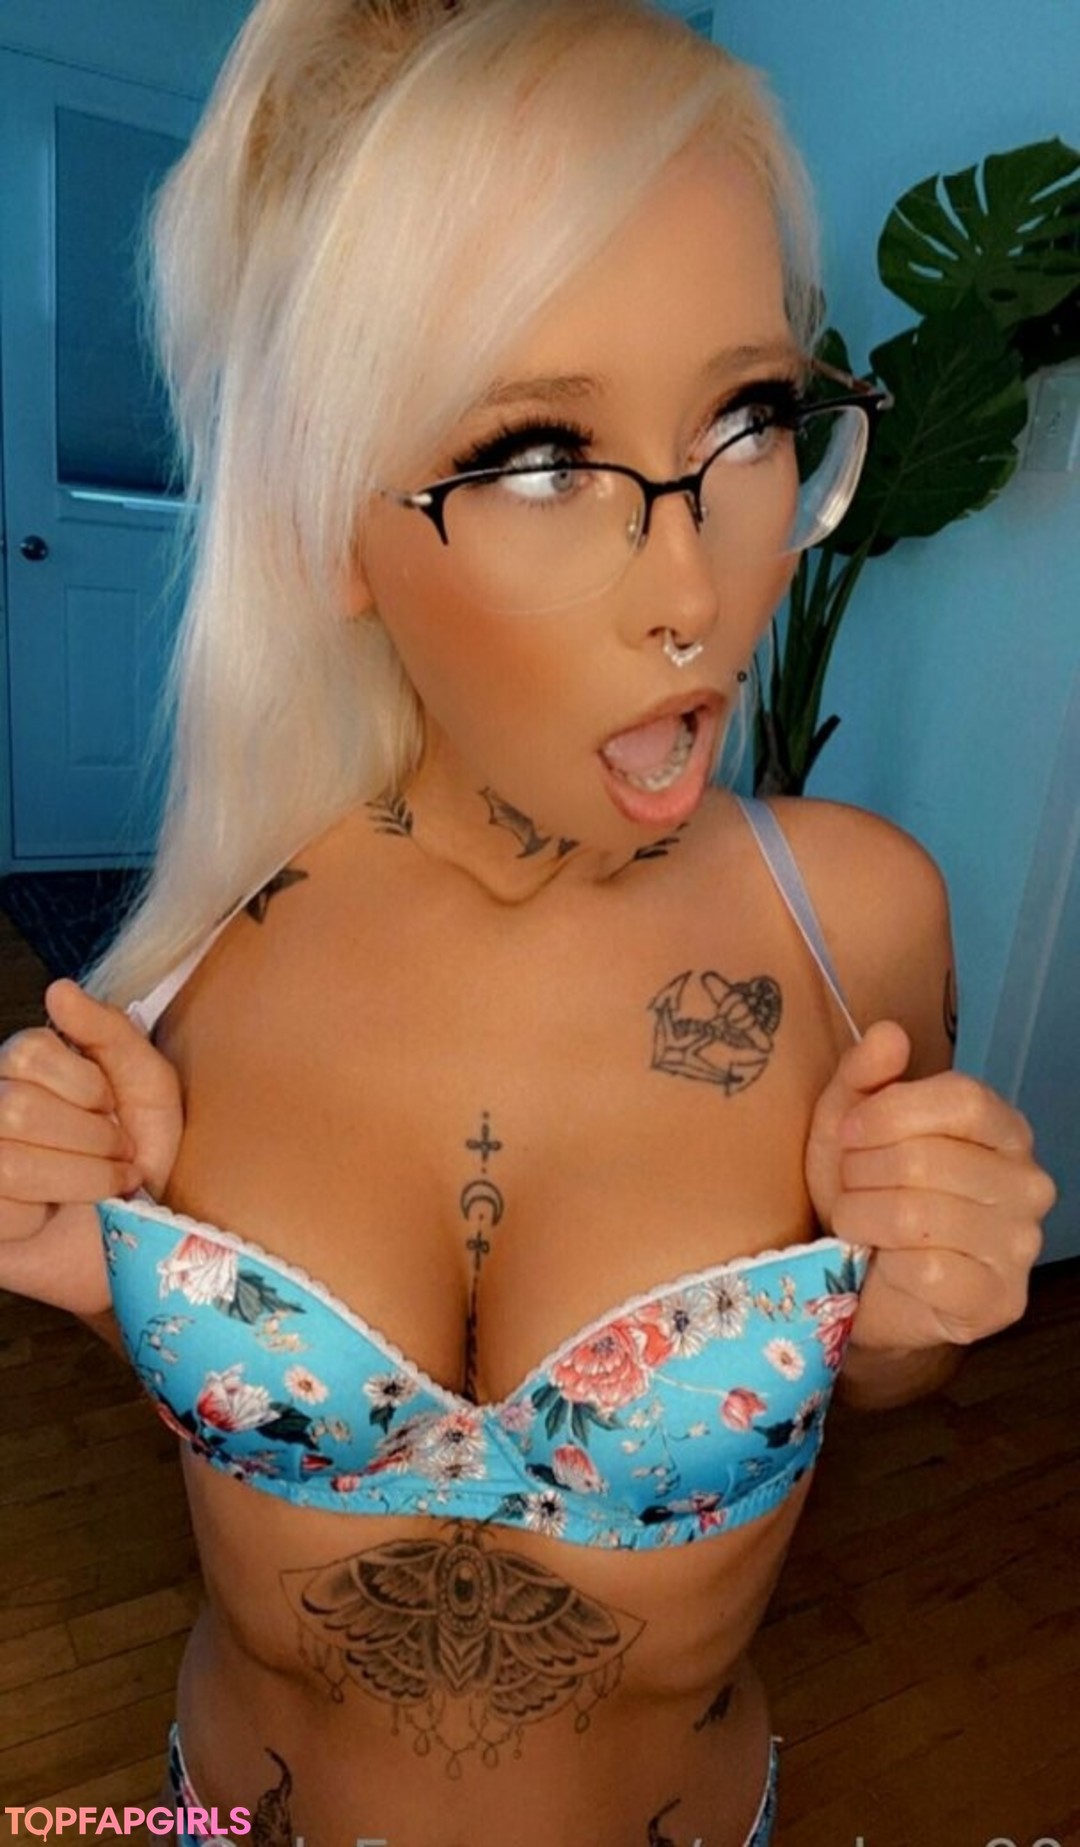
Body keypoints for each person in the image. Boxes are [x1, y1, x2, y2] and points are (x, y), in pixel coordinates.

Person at [0, 2, 1057, 1843]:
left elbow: (885, 1364)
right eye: (543, 457)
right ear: (327, 522)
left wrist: (918, 1315)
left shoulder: (858, 919)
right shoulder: (196, 954)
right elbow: (217, 1422)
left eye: (748, 418)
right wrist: (95, 1274)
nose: (697, 588)